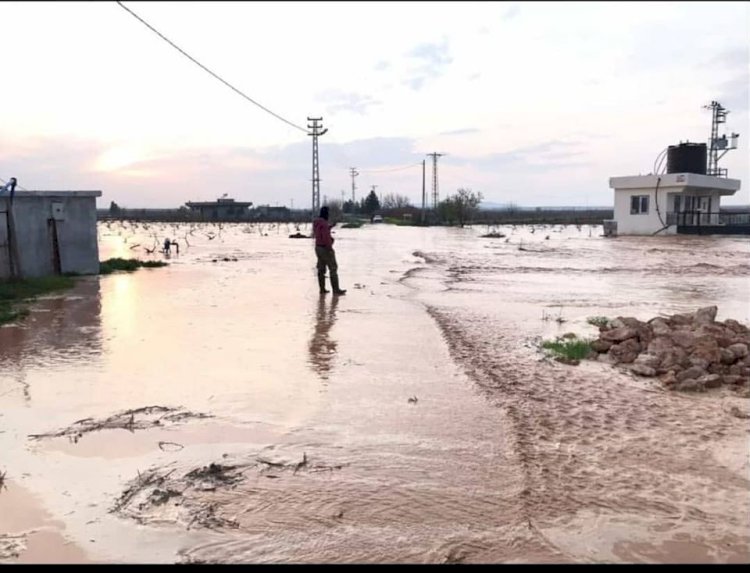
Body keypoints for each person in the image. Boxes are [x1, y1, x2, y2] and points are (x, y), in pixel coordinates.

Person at [312, 206, 346, 295]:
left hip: (318, 248)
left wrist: (330, 226)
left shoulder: (317, 223)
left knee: (321, 269)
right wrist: (330, 248)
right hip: (325, 248)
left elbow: (320, 232)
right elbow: (326, 237)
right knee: (333, 268)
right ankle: (336, 290)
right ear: (326, 214)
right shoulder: (324, 224)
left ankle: (322, 289)